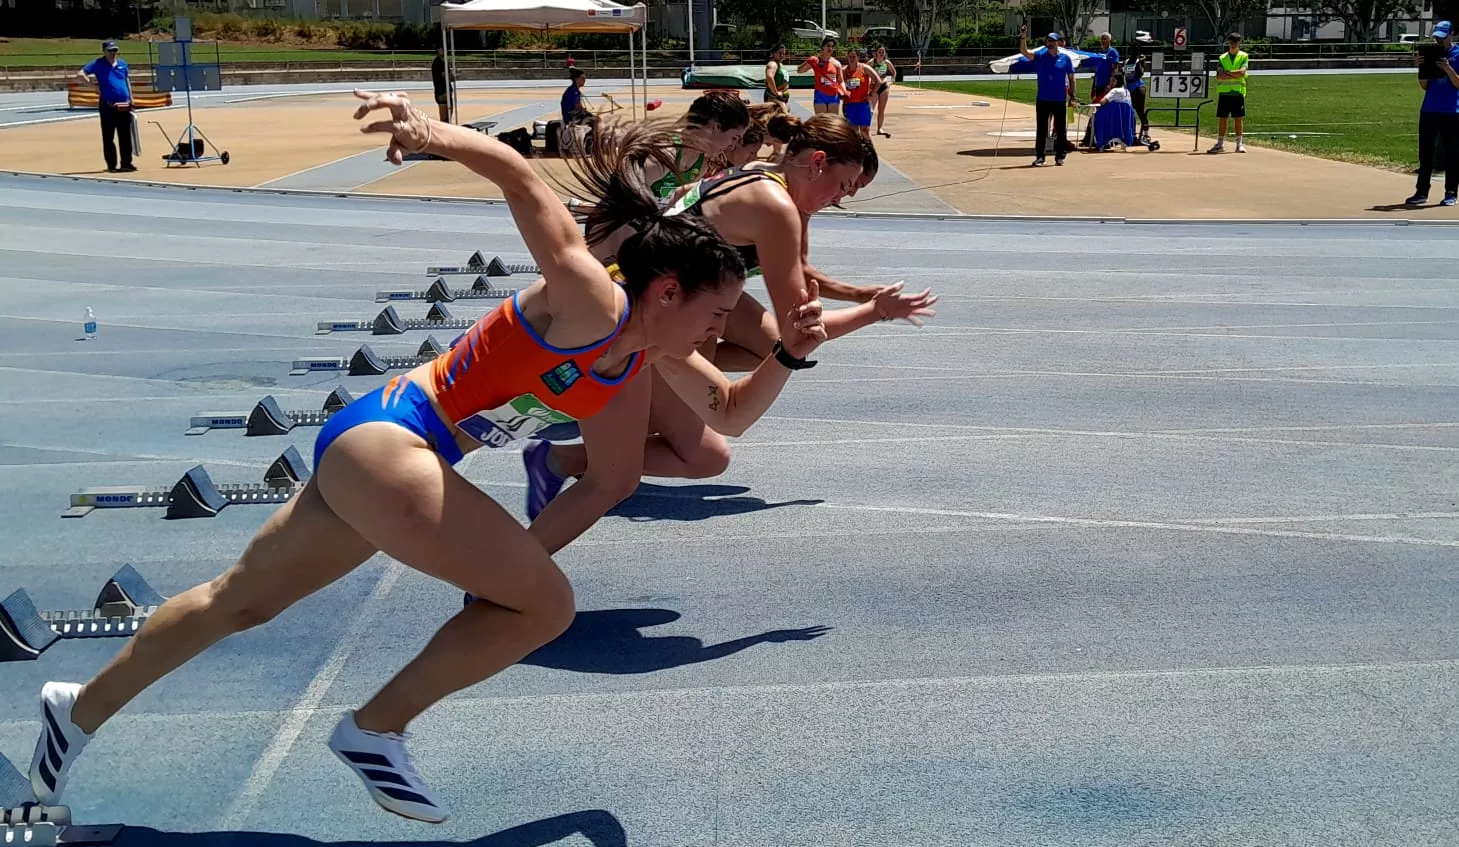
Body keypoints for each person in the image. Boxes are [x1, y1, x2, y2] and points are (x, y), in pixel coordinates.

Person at [26, 89, 828, 825]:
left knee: (238, 601)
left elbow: (724, 418)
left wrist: (787, 354)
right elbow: (520, 177)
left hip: (381, 450)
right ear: (667, 292)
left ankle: (77, 706)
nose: (719, 332)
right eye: (716, 313)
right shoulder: (591, 303)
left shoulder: (640, 361)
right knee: (545, 606)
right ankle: (375, 728)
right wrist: (430, 132)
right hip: (395, 439)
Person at [523, 114, 934, 512]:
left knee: (759, 357)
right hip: (652, 316)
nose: (843, 197)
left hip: (651, 295)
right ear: (818, 162)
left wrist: (858, 294)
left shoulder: (761, 176)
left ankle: (616, 418)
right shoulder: (776, 207)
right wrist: (876, 310)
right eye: (844, 186)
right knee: (697, 458)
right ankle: (562, 458)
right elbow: (798, 330)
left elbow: (794, 271)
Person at [638, 89, 750, 199]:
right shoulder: (665, 153)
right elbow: (631, 200)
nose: (732, 146)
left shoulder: (702, 162)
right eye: (734, 138)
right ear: (716, 127)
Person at [1407, 20, 1459, 206]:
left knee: (1452, 154)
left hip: (1452, 111)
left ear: (1451, 34)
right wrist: (1421, 69)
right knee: (1425, 154)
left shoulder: (1458, 54)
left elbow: (1458, 84)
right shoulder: (1430, 53)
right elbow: (1425, 86)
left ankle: (1451, 193)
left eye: (1442, 37)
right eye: (1437, 37)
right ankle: (1421, 192)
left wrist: (1447, 68)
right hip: (1429, 109)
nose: (1439, 41)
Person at [1017, 25, 1077, 167]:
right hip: (1043, 99)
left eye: (1053, 41)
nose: (1050, 43)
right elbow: (1024, 52)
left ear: (1058, 43)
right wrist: (1023, 36)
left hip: (1059, 99)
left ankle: (1060, 156)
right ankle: (1040, 156)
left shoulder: (1065, 59)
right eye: (1048, 41)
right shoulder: (1040, 57)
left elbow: (1071, 78)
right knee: (1042, 129)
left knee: (1061, 130)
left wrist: (1073, 95)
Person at [74, 40, 135, 173]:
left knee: (125, 135)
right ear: (104, 51)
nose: (113, 53)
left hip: (123, 104)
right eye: (110, 50)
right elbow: (80, 75)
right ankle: (111, 165)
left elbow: (126, 80)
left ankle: (126, 163)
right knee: (108, 136)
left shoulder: (122, 64)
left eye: (115, 50)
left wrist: (131, 97)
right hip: (108, 105)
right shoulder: (98, 64)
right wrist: (94, 87)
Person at [1208, 33, 1249, 154]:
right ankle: (1220, 143)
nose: (1233, 44)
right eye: (1231, 42)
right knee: (1222, 118)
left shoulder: (1243, 56)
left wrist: (1228, 72)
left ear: (1239, 43)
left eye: (1236, 42)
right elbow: (1219, 76)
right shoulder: (1222, 58)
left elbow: (1242, 73)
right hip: (1224, 93)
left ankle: (1239, 144)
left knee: (1238, 118)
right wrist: (1234, 74)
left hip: (1237, 92)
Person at [840, 47, 882, 139]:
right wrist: (841, 95)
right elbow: (839, 84)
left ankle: (867, 147)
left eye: (854, 57)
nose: (852, 59)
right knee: (853, 131)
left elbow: (878, 81)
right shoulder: (844, 71)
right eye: (850, 57)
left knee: (865, 130)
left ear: (858, 57)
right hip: (849, 104)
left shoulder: (864, 68)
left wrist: (871, 94)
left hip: (863, 104)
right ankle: (856, 147)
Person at [799, 37, 844, 115]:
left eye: (832, 46)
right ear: (823, 46)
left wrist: (843, 91)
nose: (830, 48)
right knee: (822, 120)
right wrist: (807, 62)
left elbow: (841, 80)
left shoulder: (837, 63)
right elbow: (799, 71)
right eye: (828, 45)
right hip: (820, 95)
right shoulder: (815, 61)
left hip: (833, 96)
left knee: (832, 121)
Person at [869, 45, 897, 138]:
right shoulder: (872, 62)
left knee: (881, 109)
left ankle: (880, 128)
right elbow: (864, 71)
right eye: (880, 51)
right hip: (874, 87)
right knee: (870, 110)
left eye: (883, 51)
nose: (881, 53)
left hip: (884, 86)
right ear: (876, 53)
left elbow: (894, 72)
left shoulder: (887, 62)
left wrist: (891, 82)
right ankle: (866, 128)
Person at [1127, 53, 1150, 141]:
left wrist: (1140, 61)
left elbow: (1139, 73)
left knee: (1134, 112)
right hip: (1137, 87)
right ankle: (1144, 134)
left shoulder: (1134, 62)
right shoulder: (1131, 62)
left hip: (1135, 87)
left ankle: (1136, 135)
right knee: (1140, 112)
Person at [1090, 32, 1120, 102]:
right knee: (1098, 105)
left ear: (1109, 40)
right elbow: (1097, 72)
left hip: (1107, 86)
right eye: (1102, 39)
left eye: (1105, 39)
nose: (1103, 41)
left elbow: (1115, 69)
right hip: (1098, 85)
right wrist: (1093, 87)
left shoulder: (1112, 52)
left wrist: (1110, 84)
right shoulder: (1099, 54)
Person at [431, 44, 455, 122]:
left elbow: (450, 77)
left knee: (447, 118)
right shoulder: (439, 63)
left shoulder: (443, 62)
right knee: (445, 119)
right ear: (438, 50)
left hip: (444, 91)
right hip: (442, 91)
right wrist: (451, 77)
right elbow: (448, 76)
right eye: (442, 49)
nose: (445, 51)